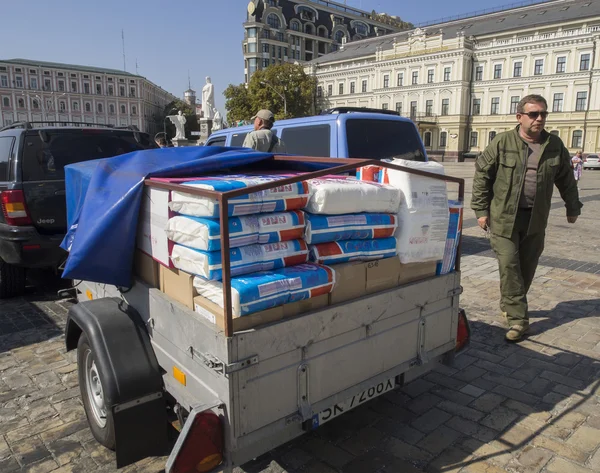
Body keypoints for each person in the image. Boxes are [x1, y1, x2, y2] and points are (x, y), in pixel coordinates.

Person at [471, 94, 582, 342]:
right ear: (519, 117)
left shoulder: (554, 145)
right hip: (503, 218)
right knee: (509, 266)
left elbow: (566, 178)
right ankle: (519, 321)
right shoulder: (502, 142)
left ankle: (509, 304)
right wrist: (480, 210)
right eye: (533, 114)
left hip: (536, 219)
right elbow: (482, 177)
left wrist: (572, 207)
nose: (539, 119)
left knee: (526, 268)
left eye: (543, 114)